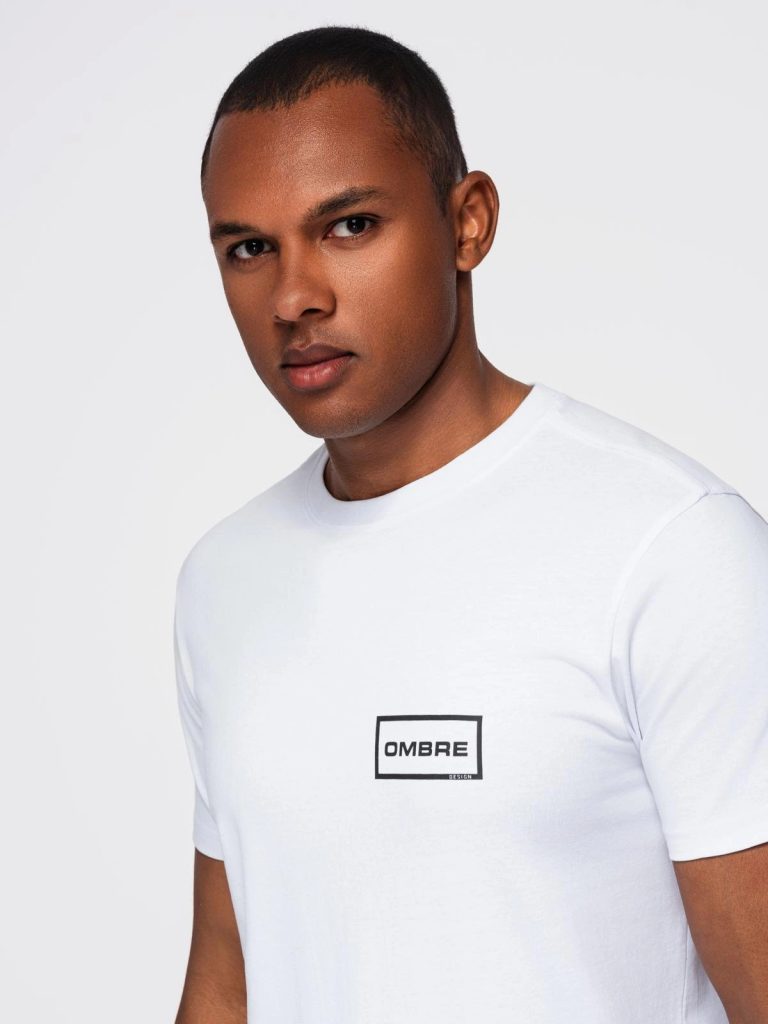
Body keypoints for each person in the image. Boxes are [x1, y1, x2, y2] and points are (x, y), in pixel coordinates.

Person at [172, 25, 768, 1024]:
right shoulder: (223, 579)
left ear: (468, 224)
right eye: (249, 249)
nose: (294, 297)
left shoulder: (673, 551)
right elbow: (226, 979)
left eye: (350, 225)